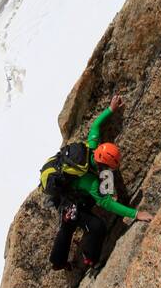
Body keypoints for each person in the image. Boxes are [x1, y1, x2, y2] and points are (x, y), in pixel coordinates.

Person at [45, 93, 152, 272]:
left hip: (72, 190)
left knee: (73, 221)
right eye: (109, 168)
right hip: (66, 198)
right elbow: (107, 203)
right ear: (102, 164)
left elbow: (96, 126)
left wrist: (111, 109)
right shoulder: (91, 182)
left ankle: (59, 260)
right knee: (95, 226)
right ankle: (88, 260)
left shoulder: (93, 146)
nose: (111, 171)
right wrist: (136, 214)